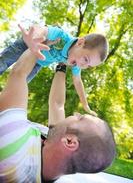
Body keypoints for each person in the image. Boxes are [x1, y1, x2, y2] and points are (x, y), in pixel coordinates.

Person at [0, 49, 116, 182]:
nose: (76, 113)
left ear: (69, 142)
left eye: (80, 118)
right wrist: (62, 64)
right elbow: (57, 104)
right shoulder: (50, 160)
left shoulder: (14, 148)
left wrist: (38, 43)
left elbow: (19, 74)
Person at [0, 24, 108, 116]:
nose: (83, 65)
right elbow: (43, 30)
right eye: (86, 59)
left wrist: (85, 104)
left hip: (37, 63)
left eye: (88, 66)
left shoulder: (76, 62)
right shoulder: (61, 37)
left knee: (18, 86)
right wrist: (35, 38)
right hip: (27, 45)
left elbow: (78, 81)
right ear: (80, 43)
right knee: (3, 62)